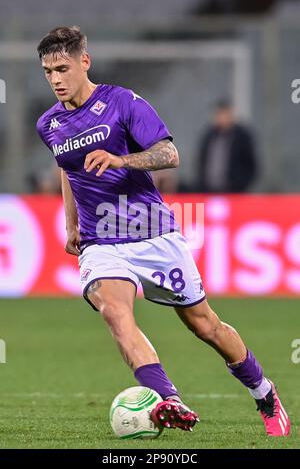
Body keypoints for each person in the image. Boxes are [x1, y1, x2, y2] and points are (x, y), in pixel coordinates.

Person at [36, 26, 290, 436]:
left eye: (62, 68)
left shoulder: (123, 102)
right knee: (115, 311)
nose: (56, 79)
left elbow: (169, 154)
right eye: (48, 71)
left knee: (205, 325)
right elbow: (67, 169)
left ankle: (263, 391)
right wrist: (72, 223)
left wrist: (122, 161)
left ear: (85, 62)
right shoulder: (49, 124)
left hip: (152, 233)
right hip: (102, 241)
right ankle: (168, 400)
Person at [196, 100, 257, 193]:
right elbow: (201, 161)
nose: (221, 118)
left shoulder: (242, 137)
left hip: (234, 193)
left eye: (224, 114)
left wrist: (241, 185)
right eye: (219, 114)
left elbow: (251, 165)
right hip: (209, 192)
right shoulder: (209, 136)